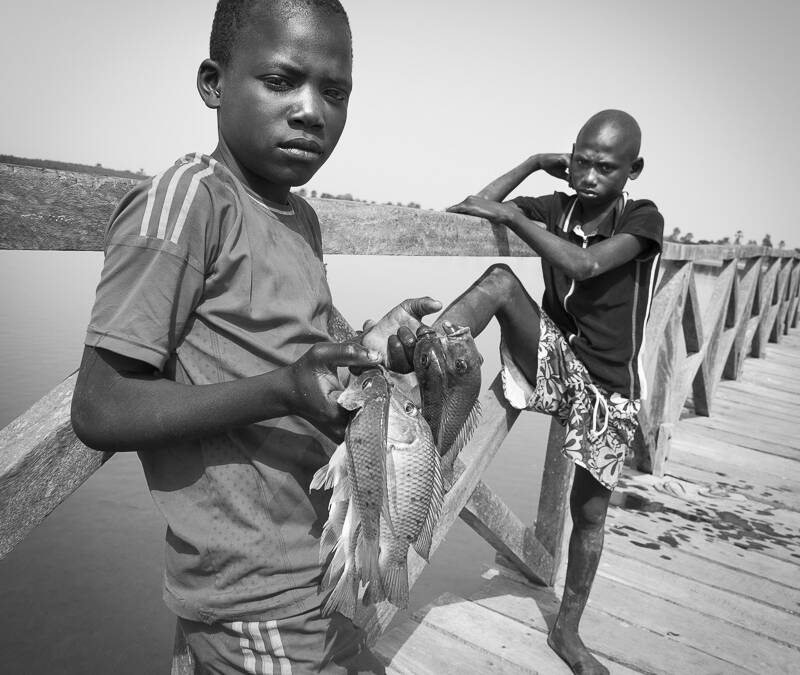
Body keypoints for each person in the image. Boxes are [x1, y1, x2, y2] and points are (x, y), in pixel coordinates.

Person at [70, 1, 439, 672]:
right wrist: (281, 391)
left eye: (335, 92)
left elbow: (304, 345)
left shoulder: (300, 217)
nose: (311, 110)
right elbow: (100, 406)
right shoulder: (189, 200)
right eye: (281, 81)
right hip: (254, 588)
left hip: (320, 553)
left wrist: (368, 346)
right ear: (214, 83)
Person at [389, 110, 663, 675]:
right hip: (556, 359)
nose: (588, 175)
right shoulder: (557, 206)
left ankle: (567, 632)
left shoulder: (642, 217)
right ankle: (419, 368)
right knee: (499, 282)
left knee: (588, 513)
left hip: (609, 390)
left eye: (605, 168)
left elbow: (585, 265)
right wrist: (535, 164)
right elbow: (473, 204)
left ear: (632, 170)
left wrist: (514, 215)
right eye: (579, 161)